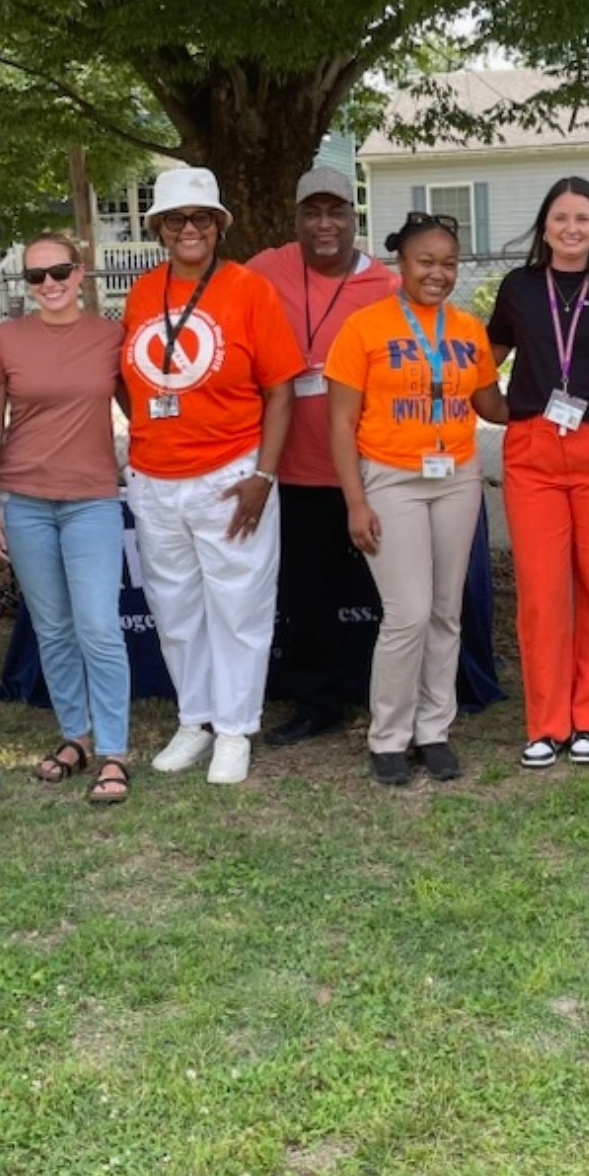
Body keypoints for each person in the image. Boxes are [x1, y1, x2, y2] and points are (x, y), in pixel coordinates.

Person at [121, 166, 304, 786]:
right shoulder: (143, 292)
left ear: (219, 225)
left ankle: (234, 728)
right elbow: (129, 378)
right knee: (174, 608)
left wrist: (264, 475)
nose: (189, 229)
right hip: (155, 476)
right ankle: (194, 720)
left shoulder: (249, 290)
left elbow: (280, 391)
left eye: (201, 217)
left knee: (238, 606)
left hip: (231, 473)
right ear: (159, 229)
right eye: (176, 219)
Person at [327, 210, 509, 785]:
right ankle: (388, 736)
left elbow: (491, 405)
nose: (438, 273)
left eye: (449, 263)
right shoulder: (364, 328)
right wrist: (356, 501)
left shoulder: (468, 330)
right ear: (400, 264)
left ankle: (434, 731)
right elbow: (340, 423)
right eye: (425, 261)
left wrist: (556, 391)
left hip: (456, 477)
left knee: (445, 611)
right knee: (407, 612)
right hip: (390, 478)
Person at [489, 177, 589, 768]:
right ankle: (547, 722)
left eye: (582, 218)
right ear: (544, 226)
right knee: (541, 590)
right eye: (560, 218)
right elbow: (486, 359)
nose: (571, 228)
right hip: (533, 449)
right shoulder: (520, 287)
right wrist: (499, 410)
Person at [246, 167, 399, 746]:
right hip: (294, 466)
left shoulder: (385, 284)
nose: (324, 223)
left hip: (370, 466)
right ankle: (317, 703)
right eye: (312, 212)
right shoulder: (265, 269)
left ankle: (389, 697)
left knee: (391, 593)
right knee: (305, 595)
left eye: (336, 211)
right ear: (296, 218)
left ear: (354, 217)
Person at [0, 232, 131, 804]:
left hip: (92, 497)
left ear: (80, 272)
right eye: (35, 276)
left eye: (59, 271)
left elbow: (141, 411)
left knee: (99, 626)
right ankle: (76, 737)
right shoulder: (4, 338)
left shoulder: (111, 336)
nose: (49, 284)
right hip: (24, 499)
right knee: (53, 627)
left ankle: (115, 750)